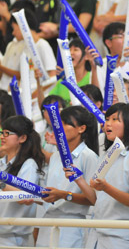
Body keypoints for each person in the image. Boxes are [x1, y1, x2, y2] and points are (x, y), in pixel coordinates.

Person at [88, 103, 129, 248]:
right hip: (97, 234)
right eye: (107, 119)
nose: (107, 124)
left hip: (122, 238)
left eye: (115, 119)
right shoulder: (105, 156)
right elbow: (95, 198)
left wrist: (106, 187)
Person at [36, 106, 99, 248]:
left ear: (81, 129)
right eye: (59, 124)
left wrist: (64, 195)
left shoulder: (88, 157)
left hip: (71, 225)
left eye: (65, 123)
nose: (59, 128)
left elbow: (93, 198)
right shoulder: (56, 156)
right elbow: (50, 193)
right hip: (48, 221)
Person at [0, 115, 46, 247]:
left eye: (7, 133)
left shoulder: (29, 165)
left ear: (22, 138)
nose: (2, 136)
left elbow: (24, 197)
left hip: (15, 237)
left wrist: (2, 184)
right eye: (2, 132)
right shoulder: (2, 163)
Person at [0, 8, 56, 91]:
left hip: (36, 97)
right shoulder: (24, 47)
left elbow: (53, 76)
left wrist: (37, 94)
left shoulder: (42, 45)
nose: (13, 33)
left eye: (14, 29)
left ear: (22, 26)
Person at [46, 39, 99, 105]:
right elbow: (47, 103)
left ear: (86, 56)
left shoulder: (92, 76)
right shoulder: (63, 81)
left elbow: (96, 98)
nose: (71, 53)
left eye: (75, 49)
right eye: (69, 50)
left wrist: (94, 68)